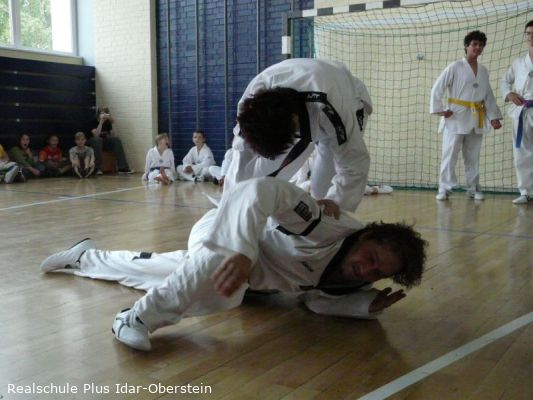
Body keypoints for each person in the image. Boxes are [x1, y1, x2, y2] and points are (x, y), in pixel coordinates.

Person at [40, 177, 427, 352]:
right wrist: (241, 250)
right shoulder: (323, 223)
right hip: (225, 230)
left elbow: (314, 300)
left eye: (379, 272)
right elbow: (256, 190)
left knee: (164, 271)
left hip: (249, 283)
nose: (368, 271)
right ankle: (136, 318)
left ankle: (85, 256)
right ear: (365, 235)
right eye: (371, 259)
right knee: (215, 262)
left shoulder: (356, 279)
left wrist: (361, 305)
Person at [224, 58, 372, 216]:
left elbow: (354, 163)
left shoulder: (336, 109)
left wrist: (337, 201)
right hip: (308, 94)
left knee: (322, 191)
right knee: (251, 183)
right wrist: (230, 203)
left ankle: (327, 225)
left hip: (350, 96)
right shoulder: (251, 101)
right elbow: (241, 155)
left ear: (295, 121)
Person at [430, 30, 503, 201]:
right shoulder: (454, 67)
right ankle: (444, 188)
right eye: (474, 44)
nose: (477, 48)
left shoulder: (483, 71)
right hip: (455, 116)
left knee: (473, 156)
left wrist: (493, 117)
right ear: (466, 46)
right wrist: (439, 109)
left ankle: (473, 187)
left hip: (476, 117)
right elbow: (437, 88)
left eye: (481, 45)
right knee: (450, 154)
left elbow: (488, 95)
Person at [500, 20, 533, 205]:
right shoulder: (519, 62)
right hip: (523, 111)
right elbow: (505, 81)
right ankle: (525, 191)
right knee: (522, 151)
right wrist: (509, 93)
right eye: (528, 33)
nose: (531, 36)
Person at [89, 107, 133, 175]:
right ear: (98, 114)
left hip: (104, 142)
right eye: (102, 113)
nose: (104, 115)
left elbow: (115, 135)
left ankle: (122, 167)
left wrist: (112, 123)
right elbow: (96, 135)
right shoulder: (93, 121)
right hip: (94, 142)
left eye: (105, 113)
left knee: (116, 140)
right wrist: (101, 122)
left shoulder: (108, 122)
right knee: (98, 140)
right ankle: (97, 168)